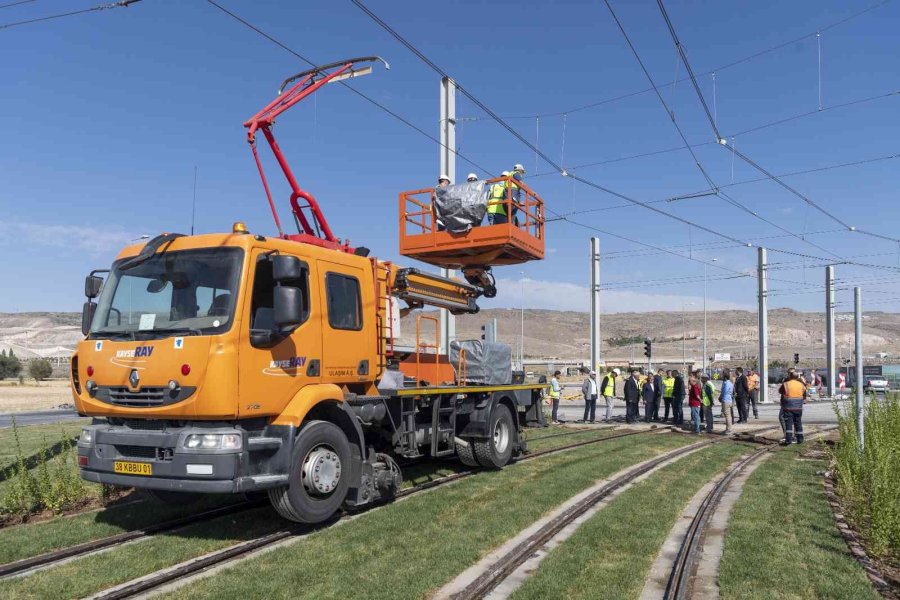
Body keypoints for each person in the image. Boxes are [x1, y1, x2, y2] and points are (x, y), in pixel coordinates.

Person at [779, 370, 808, 444]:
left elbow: (780, 391)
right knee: (798, 423)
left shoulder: (786, 384)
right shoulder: (801, 385)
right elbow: (804, 393)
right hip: (798, 407)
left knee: (789, 423)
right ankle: (800, 439)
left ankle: (788, 440)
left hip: (789, 407)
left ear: (790, 376)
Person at [719, 369, 735, 434]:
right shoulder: (729, 383)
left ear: (725, 376)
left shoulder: (726, 383)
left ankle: (729, 429)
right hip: (729, 400)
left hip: (726, 400)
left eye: (723, 375)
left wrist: (720, 397)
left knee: (727, 415)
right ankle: (727, 429)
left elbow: (724, 392)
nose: (722, 376)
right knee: (728, 415)